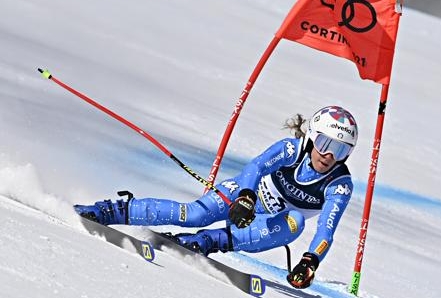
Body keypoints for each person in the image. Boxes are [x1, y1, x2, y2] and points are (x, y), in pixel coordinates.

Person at [75, 105, 358, 289]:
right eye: (324, 144)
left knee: (296, 221)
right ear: (311, 138)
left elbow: (326, 229)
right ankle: (110, 211)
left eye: (341, 150)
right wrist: (246, 196)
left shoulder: (339, 184)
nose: (329, 156)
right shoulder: (291, 150)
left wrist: (311, 260)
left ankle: (204, 242)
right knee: (194, 214)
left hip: (269, 220)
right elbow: (256, 167)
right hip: (245, 195)